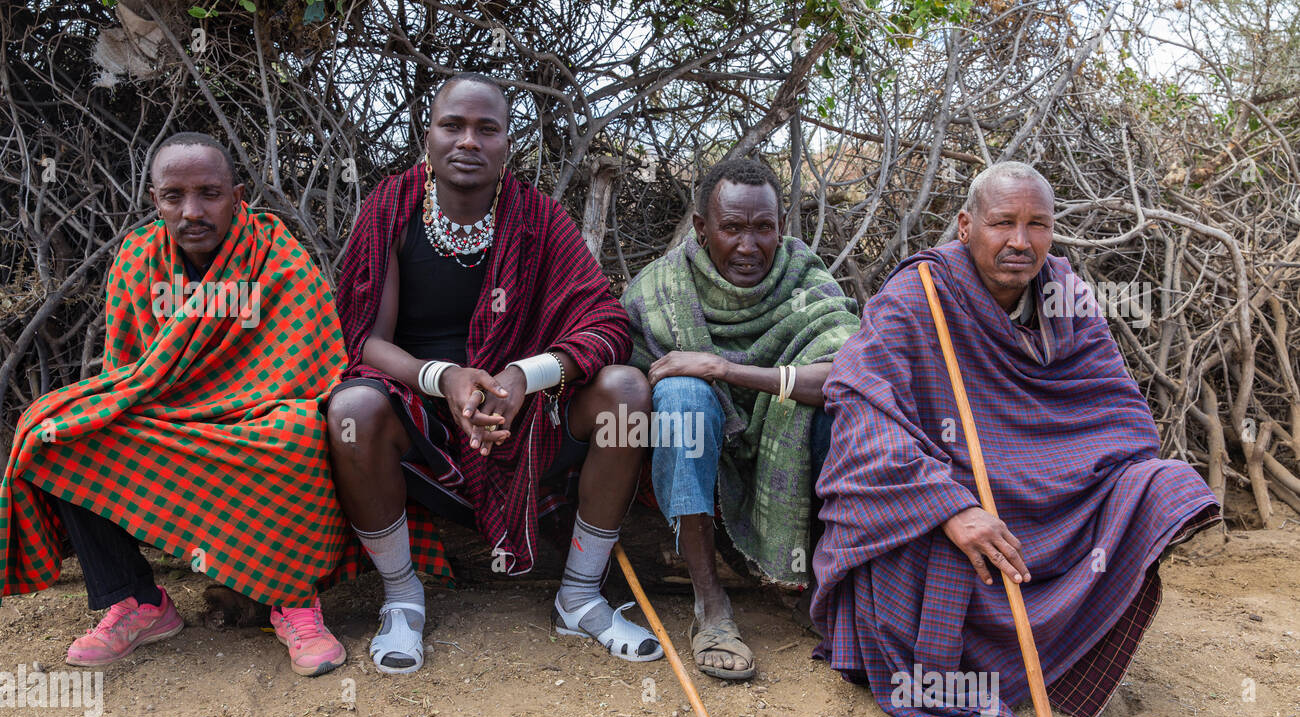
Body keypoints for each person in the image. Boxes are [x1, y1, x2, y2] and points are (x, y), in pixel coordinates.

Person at [811, 161, 1221, 717]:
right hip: (943, 486)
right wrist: (949, 506)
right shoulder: (916, 295)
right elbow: (861, 408)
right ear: (965, 225)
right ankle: (946, 673)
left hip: (1041, 493)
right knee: (931, 530)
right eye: (1003, 223)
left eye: (1038, 225)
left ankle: (1068, 657)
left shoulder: (1064, 294)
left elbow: (1118, 413)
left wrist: (1051, 477)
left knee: (1160, 484)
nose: (1020, 242)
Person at [325, 72, 660, 674]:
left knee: (627, 390)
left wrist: (521, 378)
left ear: (509, 142)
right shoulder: (394, 208)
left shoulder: (540, 220)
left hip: (527, 416)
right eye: (451, 125)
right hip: (419, 410)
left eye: (487, 129)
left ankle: (579, 595)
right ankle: (402, 600)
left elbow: (607, 326)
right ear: (427, 136)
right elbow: (363, 341)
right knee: (351, 409)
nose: (468, 141)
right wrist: (444, 377)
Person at [0, 132, 352, 676]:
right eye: (173, 196)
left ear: (237, 195)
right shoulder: (139, 256)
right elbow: (126, 374)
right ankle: (137, 602)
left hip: (264, 410)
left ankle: (293, 600)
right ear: (154, 201)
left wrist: (243, 406)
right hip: (167, 410)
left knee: (299, 433)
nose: (192, 211)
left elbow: (311, 367)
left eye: (209, 192)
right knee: (57, 428)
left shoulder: (276, 251)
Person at [623, 158, 858, 681]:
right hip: (696, 451)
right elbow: (628, 388)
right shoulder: (659, 291)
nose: (748, 246)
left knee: (838, 413)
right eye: (731, 228)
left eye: (763, 228)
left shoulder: (803, 278)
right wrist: (695, 385)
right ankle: (710, 602)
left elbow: (848, 376)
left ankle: (819, 589)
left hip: (787, 437)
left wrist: (725, 368)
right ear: (703, 228)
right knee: (683, 396)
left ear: (781, 227)